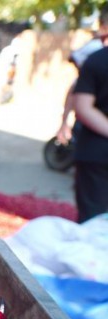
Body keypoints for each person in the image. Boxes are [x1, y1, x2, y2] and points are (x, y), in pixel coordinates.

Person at [73, 6, 108, 222]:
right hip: (97, 155)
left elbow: (84, 107)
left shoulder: (96, 60)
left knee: (93, 224)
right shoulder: (96, 60)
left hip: (96, 152)